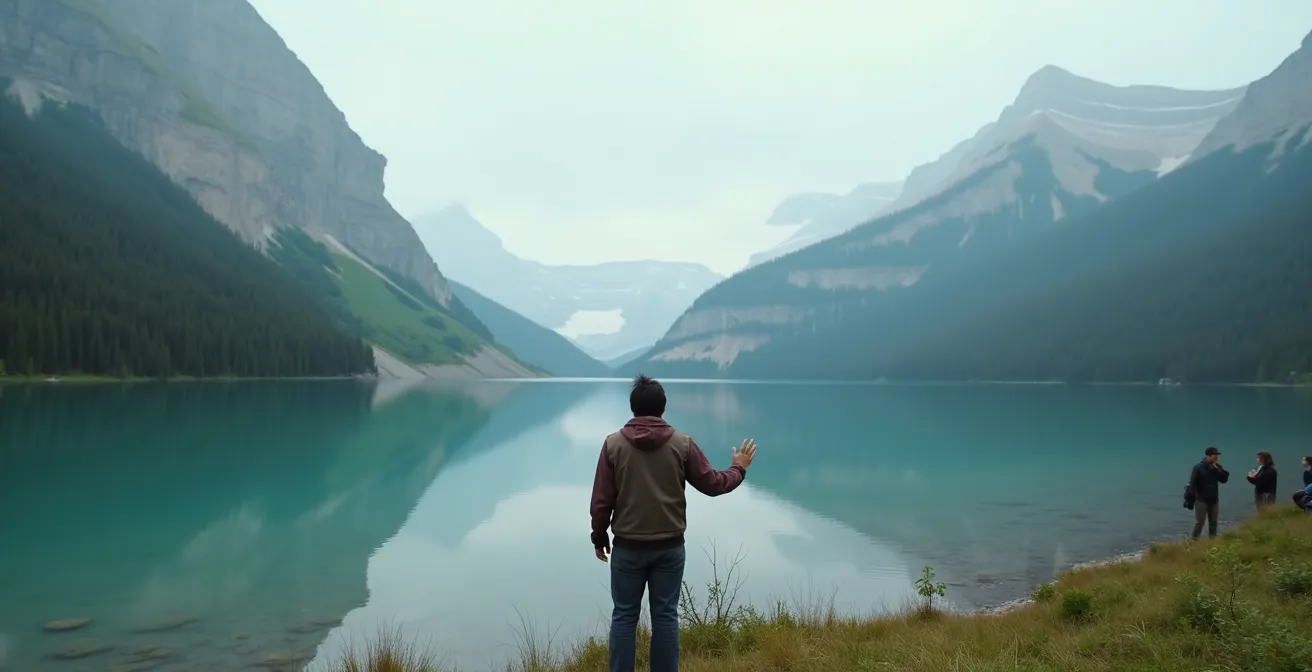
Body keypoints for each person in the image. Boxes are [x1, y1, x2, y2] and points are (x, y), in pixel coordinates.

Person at [590, 374, 757, 672]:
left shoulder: (612, 445)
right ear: (663, 408)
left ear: (632, 408)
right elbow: (713, 484)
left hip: (627, 548)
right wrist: (738, 469)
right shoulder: (682, 444)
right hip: (669, 548)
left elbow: (601, 500)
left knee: (624, 617)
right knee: (666, 617)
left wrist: (599, 536)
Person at [1189, 446, 1229, 539]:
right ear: (1209, 455)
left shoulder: (1216, 467)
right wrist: (1192, 497)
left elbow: (1224, 480)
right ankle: (1193, 541)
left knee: (1213, 522)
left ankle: (1212, 541)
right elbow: (1193, 483)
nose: (1217, 457)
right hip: (1201, 500)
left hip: (1214, 499)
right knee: (1200, 523)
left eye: (1217, 455)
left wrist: (1219, 470)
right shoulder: (1198, 468)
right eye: (1215, 455)